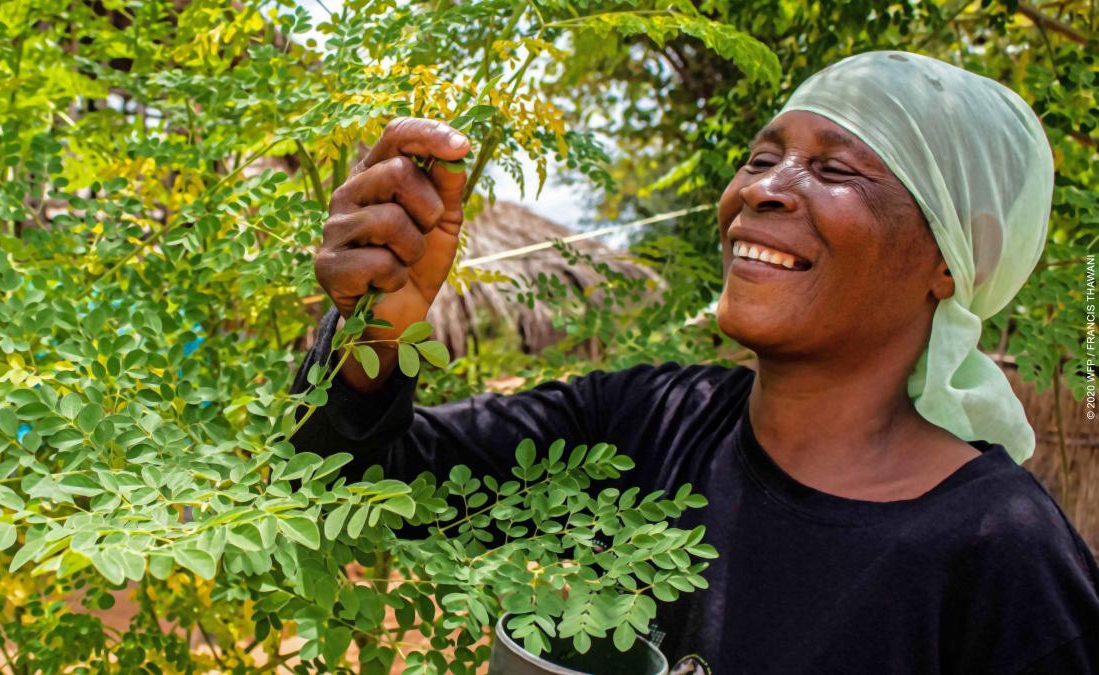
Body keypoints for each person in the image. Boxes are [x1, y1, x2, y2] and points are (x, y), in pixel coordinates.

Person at [295, 51, 1099, 673]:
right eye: (761, 158)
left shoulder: (1004, 555)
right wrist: (373, 332)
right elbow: (356, 480)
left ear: (952, 260)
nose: (762, 190)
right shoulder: (645, 423)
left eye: (836, 169)